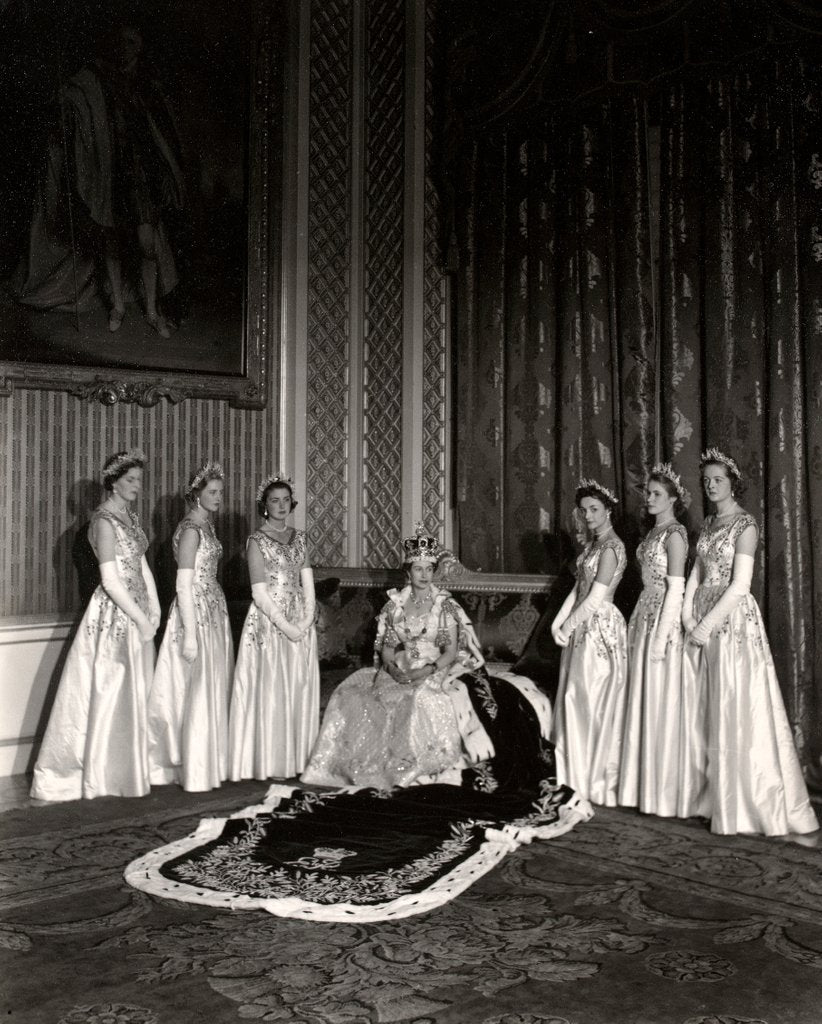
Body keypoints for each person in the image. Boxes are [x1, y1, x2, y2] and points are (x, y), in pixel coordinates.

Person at [301, 523, 556, 794]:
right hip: (402, 664)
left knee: (419, 698)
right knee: (353, 694)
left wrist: (425, 671)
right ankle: (362, 769)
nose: (424, 575)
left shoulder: (444, 606)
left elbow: (450, 652)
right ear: (408, 572)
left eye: (429, 569)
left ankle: (412, 771)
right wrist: (391, 668)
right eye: (418, 569)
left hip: (439, 667)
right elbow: (388, 646)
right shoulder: (395, 605)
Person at [12, 22, 185, 337]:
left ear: (140, 47)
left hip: (142, 174)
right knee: (112, 241)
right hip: (110, 171)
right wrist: (67, 99)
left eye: (130, 42)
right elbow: (75, 98)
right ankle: (117, 306)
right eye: (120, 42)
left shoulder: (147, 84)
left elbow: (160, 130)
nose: (123, 48)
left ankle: (151, 310)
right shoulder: (99, 77)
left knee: (147, 244)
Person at [681, 448, 818, 836]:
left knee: (734, 704)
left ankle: (743, 805)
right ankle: (714, 798)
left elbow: (740, 585)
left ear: (733, 483)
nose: (711, 486)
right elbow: (696, 573)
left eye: (718, 480)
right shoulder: (709, 523)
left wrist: (705, 626)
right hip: (702, 615)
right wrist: (688, 616)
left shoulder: (746, 525)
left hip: (731, 621)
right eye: (706, 480)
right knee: (707, 708)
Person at [31, 449, 159, 801]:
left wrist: (154, 608)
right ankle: (104, 773)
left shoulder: (130, 519)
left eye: (139, 480)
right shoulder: (102, 521)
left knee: (135, 690)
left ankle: (130, 767)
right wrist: (140, 618)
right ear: (113, 483)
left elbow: (142, 565)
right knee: (112, 689)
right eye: (131, 480)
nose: (137, 486)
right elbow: (111, 580)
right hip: (115, 613)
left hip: (138, 611)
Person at [148, 461, 234, 791]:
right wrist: (190, 635)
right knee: (195, 686)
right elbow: (183, 584)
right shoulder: (190, 530)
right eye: (212, 492)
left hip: (213, 610)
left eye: (220, 492)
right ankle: (194, 766)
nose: (218, 498)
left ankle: (211, 760)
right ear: (196, 494)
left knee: (211, 683)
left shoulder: (207, 526)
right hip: (194, 611)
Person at [228, 474, 319, 780]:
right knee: (273, 688)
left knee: (298, 684)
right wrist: (285, 625)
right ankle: (272, 761)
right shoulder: (256, 541)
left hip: (299, 617)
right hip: (269, 621)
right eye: (274, 501)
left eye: (285, 500)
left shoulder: (300, 537)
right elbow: (259, 592)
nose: (281, 506)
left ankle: (298, 758)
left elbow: (307, 581)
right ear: (264, 506)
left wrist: (306, 618)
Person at [550, 479, 628, 806]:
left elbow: (595, 598)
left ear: (608, 510)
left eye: (594, 509)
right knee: (574, 697)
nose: (589, 516)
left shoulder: (611, 547)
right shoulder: (593, 547)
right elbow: (578, 589)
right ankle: (571, 777)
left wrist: (568, 626)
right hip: (582, 626)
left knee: (590, 700)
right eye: (584, 511)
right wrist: (558, 623)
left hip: (599, 627)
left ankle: (593, 780)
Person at [618, 464, 689, 815]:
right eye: (648, 492)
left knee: (660, 695)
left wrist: (661, 638)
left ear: (672, 499)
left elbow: (676, 589)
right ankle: (640, 786)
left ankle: (662, 792)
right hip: (643, 614)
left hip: (663, 619)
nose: (648, 498)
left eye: (656, 494)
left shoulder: (675, 534)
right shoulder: (651, 533)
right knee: (641, 694)